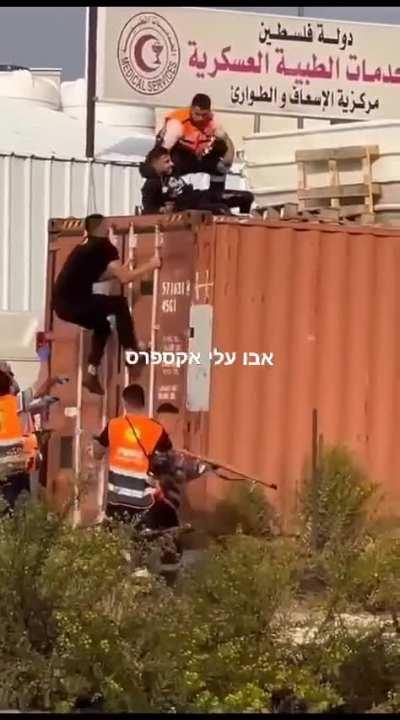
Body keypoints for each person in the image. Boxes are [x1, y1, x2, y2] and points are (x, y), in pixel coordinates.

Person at [52, 213, 161, 396]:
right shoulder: (105, 247)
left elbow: (96, 276)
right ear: (103, 228)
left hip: (61, 307)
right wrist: (151, 265)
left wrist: (120, 271)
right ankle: (132, 354)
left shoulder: (83, 246)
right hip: (76, 302)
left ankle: (91, 373)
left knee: (102, 326)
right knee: (119, 304)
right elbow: (125, 279)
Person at [93, 383, 176, 527]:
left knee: (116, 541)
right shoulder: (156, 429)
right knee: (140, 540)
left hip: (116, 500)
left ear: (124, 402)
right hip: (142, 502)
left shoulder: (113, 425)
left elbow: (97, 454)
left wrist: (97, 444)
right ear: (143, 403)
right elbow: (167, 460)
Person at [154, 93, 235, 202]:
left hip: (200, 156)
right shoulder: (177, 123)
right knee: (168, 162)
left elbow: (228, 159)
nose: (200, 118)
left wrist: (226, 141)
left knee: (221, 156)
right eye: (197, 114)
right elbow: (161, 154)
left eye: (204, 115)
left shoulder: (213, 122)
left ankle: (216, 197)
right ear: (191, 109)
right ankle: (169, 197)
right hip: (181, 157)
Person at [140, 146, 254, 215]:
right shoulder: (152, 184)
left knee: (246, 197)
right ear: (156, 163)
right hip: (192, 207)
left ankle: (247, 222)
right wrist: (162, 209)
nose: (171, 164)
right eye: (166, 161)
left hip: (201, 196)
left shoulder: (171, 172)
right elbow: (148, 208)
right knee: (222, 210)